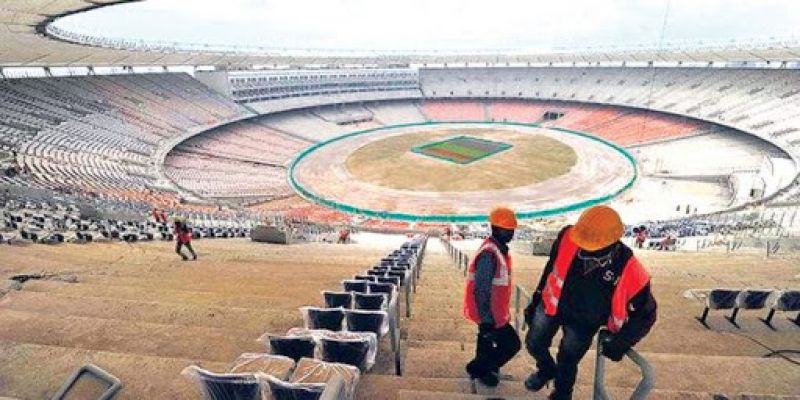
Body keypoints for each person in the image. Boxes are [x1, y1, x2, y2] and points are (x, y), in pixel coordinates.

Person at [523, 205, 657, 399]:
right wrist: (536, 299)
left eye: (591, 246)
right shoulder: (567, 236)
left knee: (568, 361)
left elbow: (647, 315)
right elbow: (551, 268)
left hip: (584, 323)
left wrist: (620, 343)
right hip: (552, 305)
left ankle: (562, 393)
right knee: (534, 343)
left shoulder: (630, 268)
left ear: (612, 241)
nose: (583, 248)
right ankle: (546, 370)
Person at [463, 207, 522, 387]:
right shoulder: (490, 254)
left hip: (495, 311)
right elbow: (482, 289)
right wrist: (487, 321)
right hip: (490, 313)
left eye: (512, 229)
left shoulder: (498, 249)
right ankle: (478, 368)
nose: (511, 233)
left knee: (485, 343)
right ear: (495, 228)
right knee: (512, 344)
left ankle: (484, 368)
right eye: (507, 229)